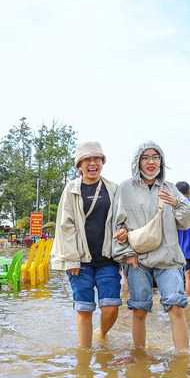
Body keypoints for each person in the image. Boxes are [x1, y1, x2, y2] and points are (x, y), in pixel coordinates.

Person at [112, 142, 190, 351]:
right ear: (137, 161)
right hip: (138, 259)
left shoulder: (170, 188)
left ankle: (183, 359)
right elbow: (115, 224)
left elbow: (189, 220)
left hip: (168, 257)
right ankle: (139, 357)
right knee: (139, 309)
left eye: (155, 157)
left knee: (176, 306)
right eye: (145, 157)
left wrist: (176, 204)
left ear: (161, 161)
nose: (151, 162)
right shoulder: (125, 188)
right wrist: (126, 253)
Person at [52, 141, 127, 348]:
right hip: (80, 260)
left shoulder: (113, 189)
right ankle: (84, 358)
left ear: (103, 162)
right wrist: (71, 259)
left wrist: (125, 231)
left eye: (96, 159)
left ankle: (101, 333)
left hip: (107, 258)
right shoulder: (71, 189)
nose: (92, 163)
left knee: (111, 307)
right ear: (79, 164)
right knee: (84, 309)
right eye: (87, 159)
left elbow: (122, 218)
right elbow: (65, 225)